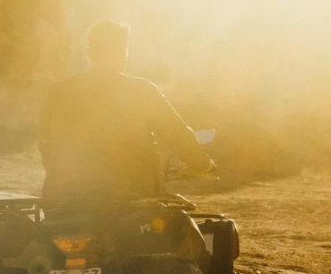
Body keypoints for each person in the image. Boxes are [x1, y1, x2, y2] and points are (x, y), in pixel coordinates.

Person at [39, 21, 215, 202]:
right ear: (123, 54)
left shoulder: (58, 91)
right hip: (130, 202)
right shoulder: (141, 90)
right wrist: (203, 165)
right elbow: (177, 134)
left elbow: (46, 144)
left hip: (62, 201)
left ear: (89, 54)